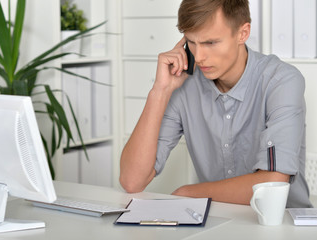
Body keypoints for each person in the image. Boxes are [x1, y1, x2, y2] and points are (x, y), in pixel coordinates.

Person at [119, 0, 312, 208]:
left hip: (281, 227)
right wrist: (159, 91)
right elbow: (132, 181)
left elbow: (272, 184)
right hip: (216, 222)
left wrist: (188, 193)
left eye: (210, 43)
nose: (199, 57)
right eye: (192, 42)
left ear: (243, 33)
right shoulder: (184, 85)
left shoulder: (281, 81)